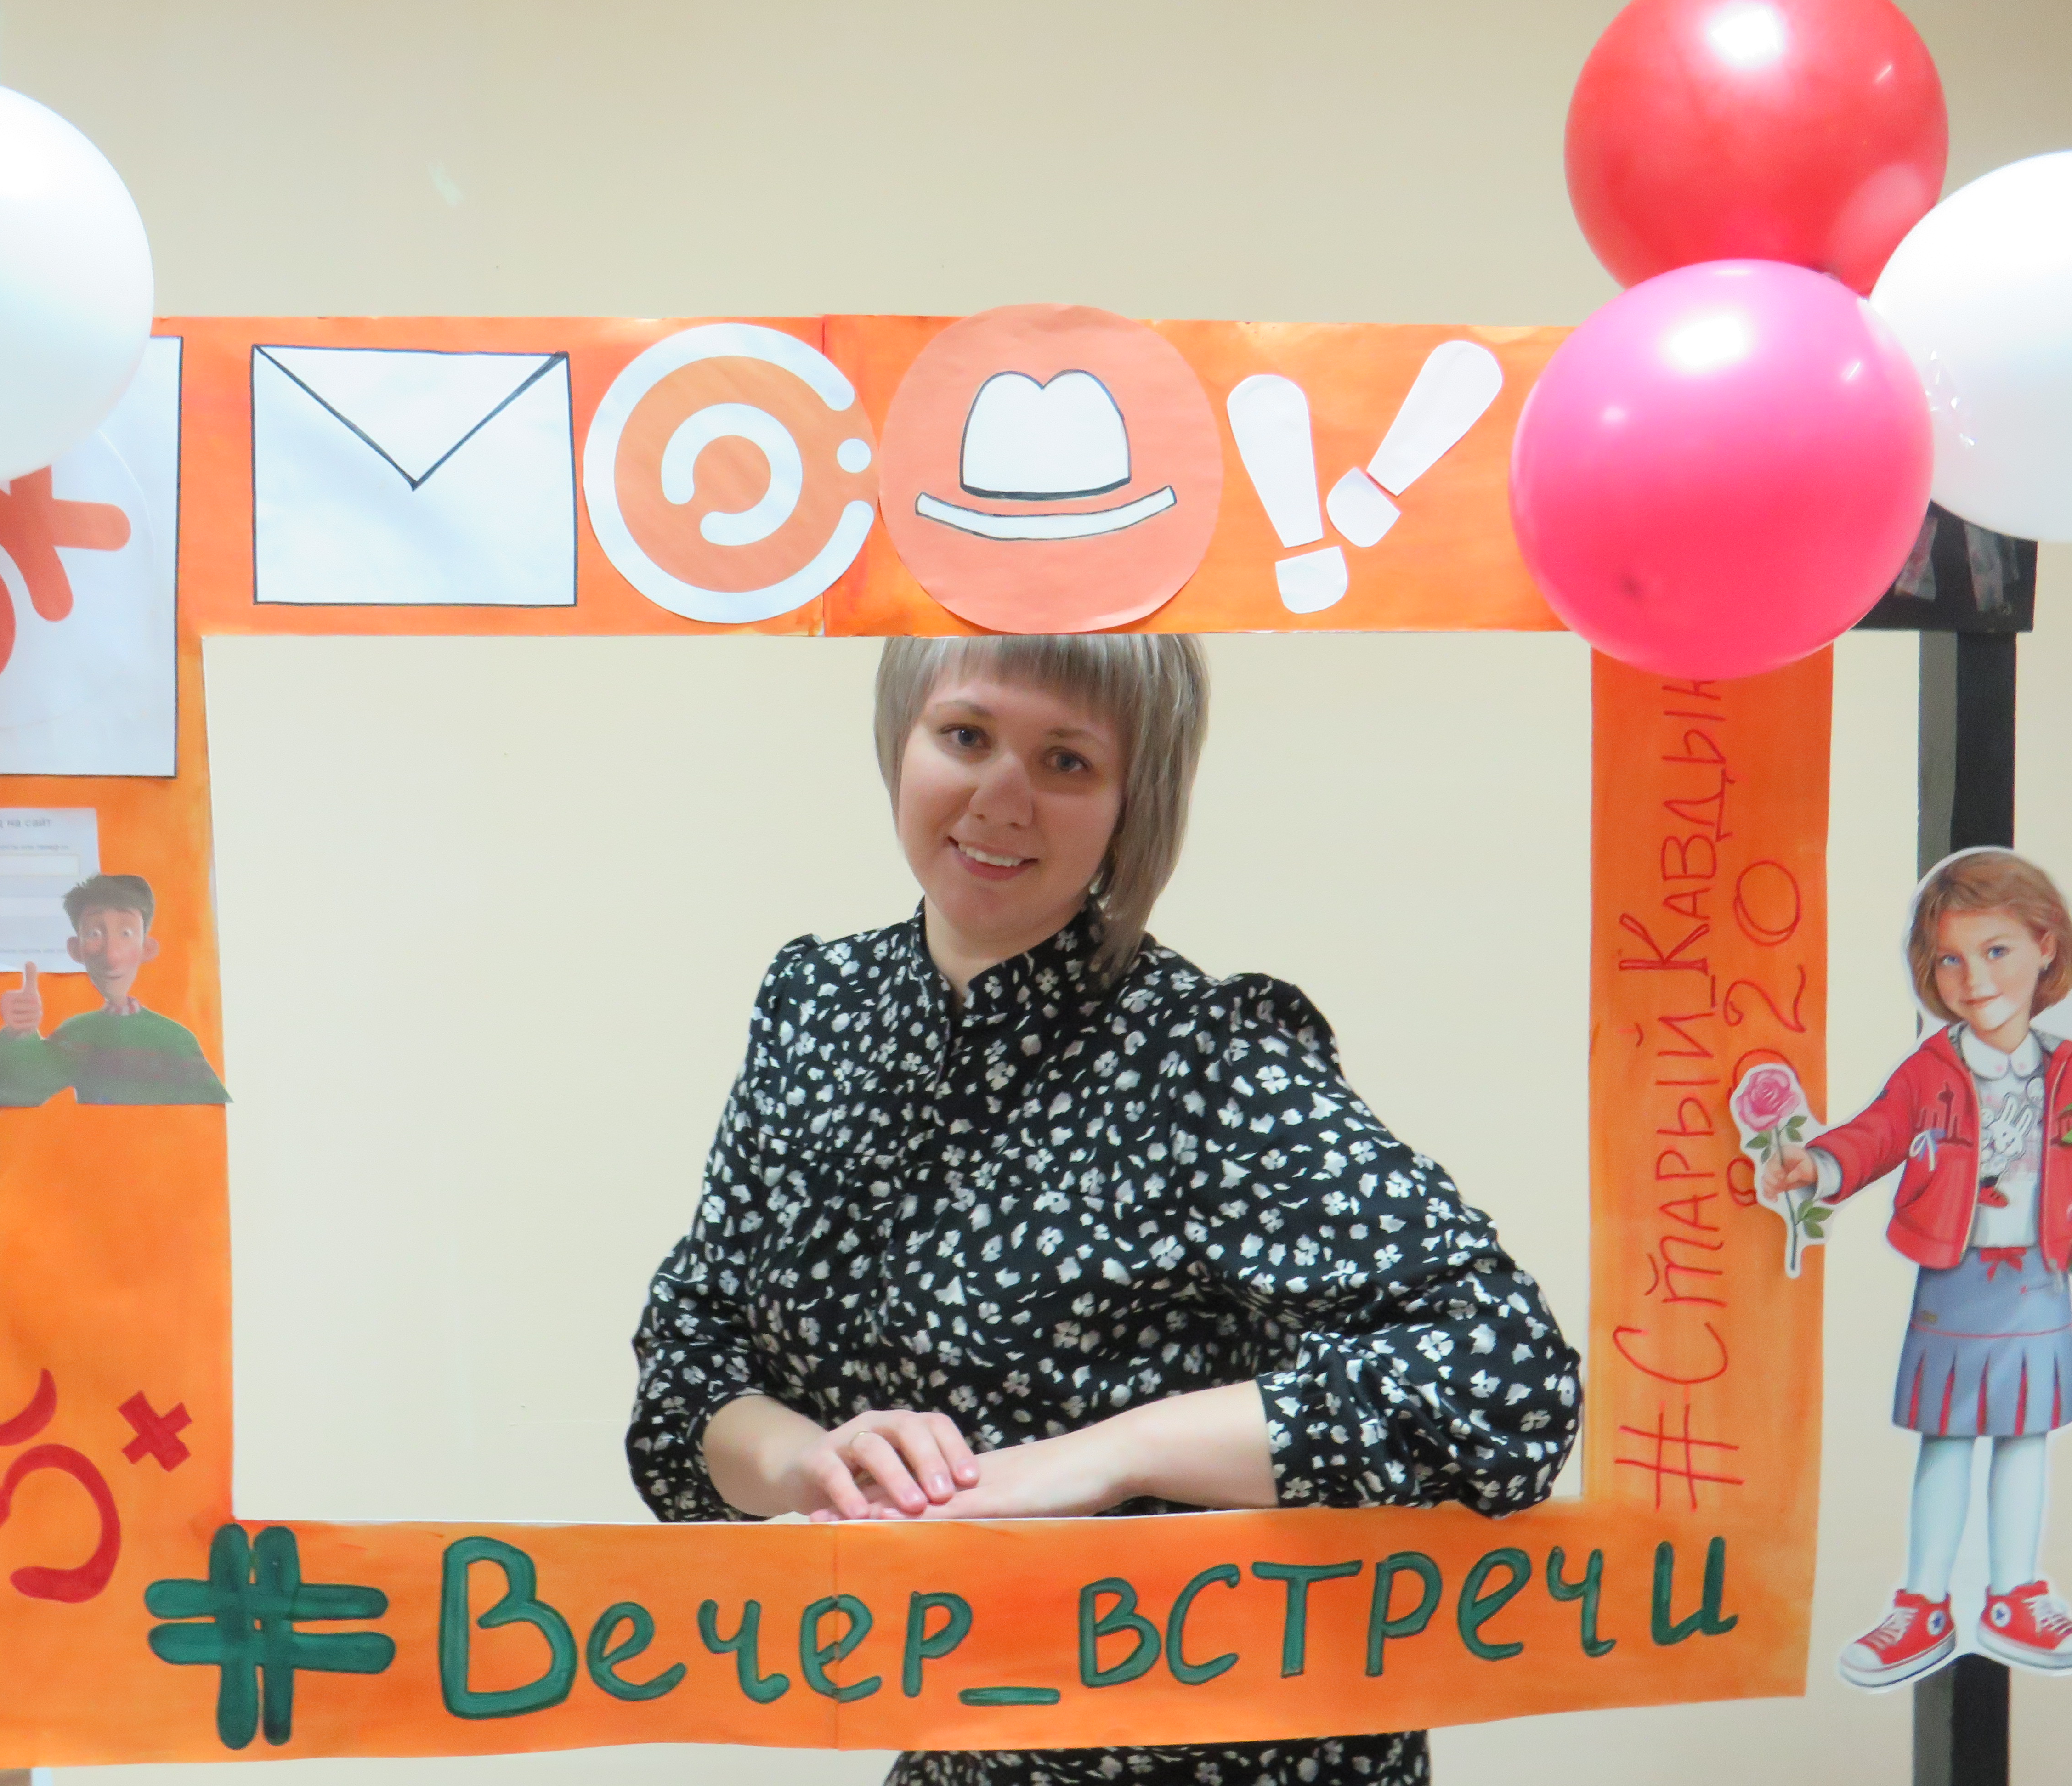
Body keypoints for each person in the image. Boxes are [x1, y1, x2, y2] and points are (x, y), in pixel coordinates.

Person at [628, 635, 1582, 1786]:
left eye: (1067, 761)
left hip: (1237, 1754)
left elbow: (1507, 1378)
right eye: (966, 736)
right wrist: (810, 1465)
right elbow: (689, 1367)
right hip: (966, 1741)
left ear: (1136, 805)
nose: (1002, 799)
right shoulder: (816, 1009)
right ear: (899, 738)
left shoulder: (1207, 1056)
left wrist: (1098, 1462)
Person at [1761, 848, 2072, 1687]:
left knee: (2024, 1437)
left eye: (1996, 950)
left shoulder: (2066, 1069)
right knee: (1946, 1437)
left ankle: (2014, 1596)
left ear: (2046, 944)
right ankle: (1922, 1603)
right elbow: (1876, 1133)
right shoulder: (1930, 1068)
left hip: (2041, 1280)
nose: (1974, 979)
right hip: (1953, 1279)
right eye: (1949, 959)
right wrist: (1817, 1164)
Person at [0, 874, 228, 1108]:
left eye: (126, 933)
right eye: (94, 934)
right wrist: (20, 1035)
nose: (111, 955)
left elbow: (209, 1115)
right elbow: (13, 1092)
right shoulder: (79, 1033)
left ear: (147, 948)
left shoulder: (176, 1039)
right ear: (76, 949)